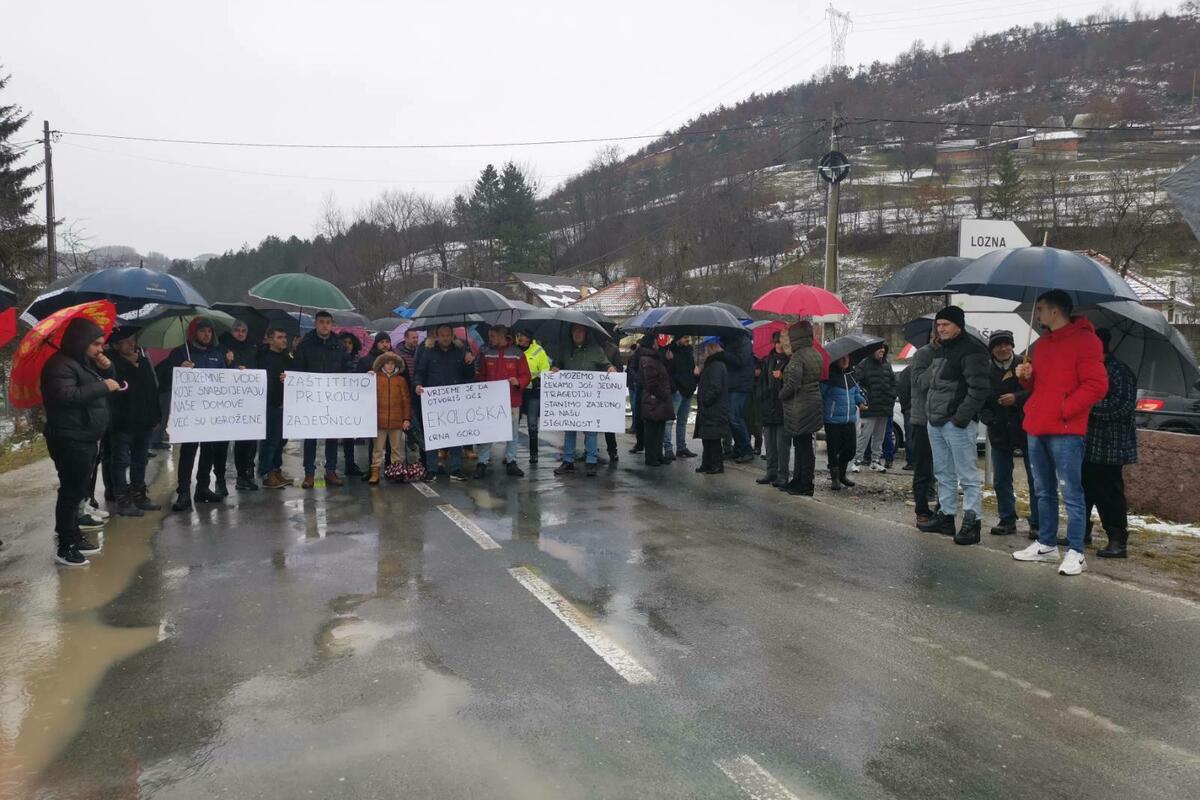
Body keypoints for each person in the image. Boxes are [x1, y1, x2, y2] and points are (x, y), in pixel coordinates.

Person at [1012, 290, 1108, 576]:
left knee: (1071, 491)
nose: (1037, 314)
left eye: (1040, 308)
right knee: (1042, 489)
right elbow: (1039, 386)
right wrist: (1026, 378)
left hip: (1066, 429)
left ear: (1055, 311)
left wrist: (1065, 409)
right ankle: (1046, 544)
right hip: (1037, 425)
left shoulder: (1087, 341)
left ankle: (1076, 551)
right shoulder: (1042, 344)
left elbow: (1096, 385)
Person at [42, 317, 121, 565]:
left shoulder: (81, 363)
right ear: (81, 341)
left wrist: (107, 369)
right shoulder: (59, 365)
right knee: (71, 492)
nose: (100, 349)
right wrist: (103, 385)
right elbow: (65, 395)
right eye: (96, 344)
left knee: (78, 491)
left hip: (84, 436)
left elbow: (103, 384)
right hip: (69, 437)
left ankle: (73, 535)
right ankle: (65, 546)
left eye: (102, 344)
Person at [917, 306, 990, 545]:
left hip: (956, 423)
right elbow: (932, 385)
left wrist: (960, 418)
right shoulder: (942, 349)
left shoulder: (973, 349)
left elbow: (979, 389)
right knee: (943, 473)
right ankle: (946, 516)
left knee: (967, 476)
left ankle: (972, 522)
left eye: (946, 324)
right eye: (938, 325)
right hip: (936, 421)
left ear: (959, 325)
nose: (941, 329)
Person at [158, 318, 228, 511]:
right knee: (188, 451)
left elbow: (225, 379)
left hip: (211, 411)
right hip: (190, 412)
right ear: (194, 333)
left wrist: (237, 372)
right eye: (202, 331)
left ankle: (203, 488)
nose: (206, 335)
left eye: (209, 331)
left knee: (208, 450)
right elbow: (164, 377)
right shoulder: (180, 352)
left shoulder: (216, 354)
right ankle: (183, 492)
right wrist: (178, 369)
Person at [1082, 328, 1138, 559]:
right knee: (1083, 489)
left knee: (1109, 494)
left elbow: (1122, 405)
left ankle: (1117, 539)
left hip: (1110, 445)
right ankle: (1081, 531)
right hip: (1087, 442)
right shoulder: (1090, 368)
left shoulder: (1119, 371)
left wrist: (1087, 405)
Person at [979, 330, 1040, 537]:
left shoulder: (1025, 364)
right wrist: (988, 418)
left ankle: (1037, 523)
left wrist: (1017, 398)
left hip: (1026, 428)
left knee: (1035, 479)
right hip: (999, 430)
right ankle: (1007, 519)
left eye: (1007, 344)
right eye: (998, 345)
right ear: (992, 349)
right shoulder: (985, 369)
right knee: (1001, 479)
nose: (1003, 349)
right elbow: (980, 398)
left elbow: (1037, 390)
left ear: (1012, 346)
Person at [290, 312, 354, 488]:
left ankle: (331, 471)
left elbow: (347, 367)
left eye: (328, 322)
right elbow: (297, 368)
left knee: (332, 435)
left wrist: (356, 378)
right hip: (311, 397)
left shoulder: (339, 345)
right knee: (310, 437)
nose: (325, 325)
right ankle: (309, 473)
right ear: (315, 324)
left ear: (332, 325)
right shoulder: (306, 344)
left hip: (332, 397)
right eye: (321, 322)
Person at [106, 328, 162, 517]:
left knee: (141, 459)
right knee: (121, 461)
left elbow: (152, 390)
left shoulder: (143, 361)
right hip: (122, 423)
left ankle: (139, 495)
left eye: (132, 339)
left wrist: (156, 416)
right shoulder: (111, 364)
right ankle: (122, 500)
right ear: (116, 345)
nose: (130, 343)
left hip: (144, 421)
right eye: (125, 341)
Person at [414, 323, 476, 481]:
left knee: (455, 434)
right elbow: (419, 372)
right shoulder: (428, 351)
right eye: (442, 335)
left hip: (455, 399)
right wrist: (417, 385)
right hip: (433, 400)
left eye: (448, 335)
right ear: (437, 336)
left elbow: (469, 375)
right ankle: (432, 469)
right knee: (433, 435)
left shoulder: (461, 350)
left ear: (452, 335)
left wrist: (469, 363)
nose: (445, 338)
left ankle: (456, 469)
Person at [552, 325, 615, 477]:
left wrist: (610, 368)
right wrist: (554, 368)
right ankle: (568, 461)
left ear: (586, 333)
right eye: (574, 331)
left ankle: (591, 461)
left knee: (591, 431)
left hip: (590, 398)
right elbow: (557, 364)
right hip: (570, 399)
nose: (577, 334)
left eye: (580, 331)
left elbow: (606, 364)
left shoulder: (596, 350)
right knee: (570, 430)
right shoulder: (565, 350)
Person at [474, 325, 530, 478]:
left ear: (501, 336)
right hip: (491, 401)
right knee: (488, 432)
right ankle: (482, 462)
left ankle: (511, 461)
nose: (489, 339)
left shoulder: (517, 354)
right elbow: (482, 376)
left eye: (492, 336)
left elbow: (526, 375)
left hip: (512, 400)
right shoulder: (486, 353)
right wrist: (476, 375)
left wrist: (518, 382)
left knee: (512, 433)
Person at [778, 322, 824, 496]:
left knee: (802, 446)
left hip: (800, 405)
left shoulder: (798, 356)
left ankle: (805, 483)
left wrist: (781, 394)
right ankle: (798, 480)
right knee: (803, 444)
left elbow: (793, 383)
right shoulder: (815, 353)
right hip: (813, 403)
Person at [220, 319, 260, 491]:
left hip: (248, 402)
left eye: (244, 330)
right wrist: (229, 364)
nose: (240, 333)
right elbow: (215, 371)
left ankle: (243, 476)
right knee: (221, 443)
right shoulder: (222, 346)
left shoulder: (253, 347)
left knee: (245, 442)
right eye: (237, 330)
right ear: (231, 331)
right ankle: (220, 479)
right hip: (227, 401)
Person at [820, 354, 866, 490]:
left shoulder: (851, 376)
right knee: (833, 450)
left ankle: (841, 474)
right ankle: (835, 478)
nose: (845, 360)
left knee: (850, 449)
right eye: (842, 358)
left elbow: (856, 393)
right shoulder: (828, 377)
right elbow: (820, 395)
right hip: (832, 420)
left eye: (847, 358)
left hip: (849, 419)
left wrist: (861, 402)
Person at [256, 327, 293, 489]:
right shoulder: (263, 357)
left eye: (285, 337)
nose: (284, 340)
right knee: (270, 440)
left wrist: (290, 376)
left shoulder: (288, 357)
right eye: (279, 337)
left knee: (281, 441)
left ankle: (277, 469)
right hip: (269, 404)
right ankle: (266, 472)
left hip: (285, 403)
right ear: (270, 339)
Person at [369, 351, 413, 485]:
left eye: (392, 364)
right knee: (378, 449)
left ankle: (396, 471)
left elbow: (406, 400)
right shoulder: (375, 378)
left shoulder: (401, 380)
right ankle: (375, 472)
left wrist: (406, 419)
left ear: (396, 365)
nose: (390, 366)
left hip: (396, 420)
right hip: (379, 421)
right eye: (387, 363)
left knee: (396, 449)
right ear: (382, 365)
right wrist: (367, 377)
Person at [907, 336, 938, 525]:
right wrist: (937, 363)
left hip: (944, 419)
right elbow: (920, 383)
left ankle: (942, 509)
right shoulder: (923, 354)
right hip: (923, 420)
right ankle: (922, 508)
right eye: (939, 327)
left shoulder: (954, 353)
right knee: (923, 468)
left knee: (943, 470)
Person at [853, 344, 896, 473]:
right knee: (864, 435)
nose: (882, 350)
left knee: (879, 436)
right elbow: (855, 383)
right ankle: (857, 460)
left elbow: (893, 382)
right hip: (869, 407)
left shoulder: (887, 365)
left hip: (884, 406)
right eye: (879, 348)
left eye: (883, 348)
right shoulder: (864, 364)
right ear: (872, 350)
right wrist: (862, 399)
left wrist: (892, 397)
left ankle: (875, 461)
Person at [756, 331, 790, 487]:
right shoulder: (767, 360)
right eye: (777, 342)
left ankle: (783, 474)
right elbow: (761, 384)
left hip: (782, 407)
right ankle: (771, 472)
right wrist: (762, 399)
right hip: (768, 407)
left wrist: (782, 378)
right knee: (769, 443)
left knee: (782, 444)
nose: (779, 345)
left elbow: (792, 384)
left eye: (782, 342)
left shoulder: (789, 361)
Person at [633, 336, 674, 467]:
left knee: (659, 428)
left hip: (657, 400)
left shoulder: (654, 358)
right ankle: (651, 457)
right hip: (653, 399)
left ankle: (658, 455)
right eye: (656, 342)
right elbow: (651, 383)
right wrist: (664, 394)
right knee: (652, 430)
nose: (658, 344)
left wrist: (668, 361)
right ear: (651, 344)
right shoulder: (648, 360)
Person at [359, 332, 395, 476]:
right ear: (376, 343)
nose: (385, 345)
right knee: (374, 440)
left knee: (391, 440)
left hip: (391, 404)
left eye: (387, 341)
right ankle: (372, 468)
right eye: (382, 342)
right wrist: (366, 375)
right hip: (373, 405)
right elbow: (357, 381)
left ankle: (390, 468)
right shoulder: (367, 360)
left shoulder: (396, 360)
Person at [694, 338, 730, 474]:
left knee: (713, 438)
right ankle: (707, 463)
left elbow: (715, 387)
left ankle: (716, 465)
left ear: (710, 351)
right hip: (710, 408)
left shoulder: (716, 365)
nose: (703, 353)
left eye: (705, 350)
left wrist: (705, 400)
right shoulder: (712, 365)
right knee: (707, 437)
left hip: (714, 407)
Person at [516, 331, 550, 465]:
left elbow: (545, 371)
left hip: (533, 392)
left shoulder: (539, 351)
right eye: (518, 335)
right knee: (513, 423)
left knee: (532, 424)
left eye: (523, 336)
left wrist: (533, 383)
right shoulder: (514, 350)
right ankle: (510, 455)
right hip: (517, 391)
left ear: (529, 338)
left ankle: (534, 453)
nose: (520, 338)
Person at [721, 332, 756, 463]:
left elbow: (741, 360)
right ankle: (739, 449)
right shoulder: (728, 340)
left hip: (741, 384)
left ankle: (746, 450)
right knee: (731, 418)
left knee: (735, 417)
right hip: (732, 383)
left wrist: (723, 354)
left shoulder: (744, 340)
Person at [337, 331, 365, 476]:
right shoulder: (336, 358)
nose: (347, 345)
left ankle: (350, 463)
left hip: (353, 400)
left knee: (350, 434)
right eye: (344, 342)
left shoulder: (358, 360)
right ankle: (331, 467)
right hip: (337, 399)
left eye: (350, 343)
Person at [664, 336, 697, 459]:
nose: (688, 339)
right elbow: (667, 371)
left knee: (682, 421)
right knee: (669, 421)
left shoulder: (689, 351)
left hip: (687, 389)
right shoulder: (669, 350)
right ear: (678, 337)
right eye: (685, 337)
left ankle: (681, 447)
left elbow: (691, 369)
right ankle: (668, 448)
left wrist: (694, 382)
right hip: (677, 390)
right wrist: (674, 388)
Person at [395, 327, 425, 463]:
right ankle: (413, 441)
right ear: (405, 338)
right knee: (411, 422)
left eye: (417, 337)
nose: (416, 340)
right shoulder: (398, 354)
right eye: (413, 338)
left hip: (419, 391)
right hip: (405, 391)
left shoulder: (420, 352)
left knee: (419, 423)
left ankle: (421, 452)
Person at [896, 364, 914, 470]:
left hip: (910, 409)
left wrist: (905, 406)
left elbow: (902, 390)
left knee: (910, 437)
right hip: (914, 409)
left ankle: (911, 462)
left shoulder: (907, 371)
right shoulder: (909, 371)